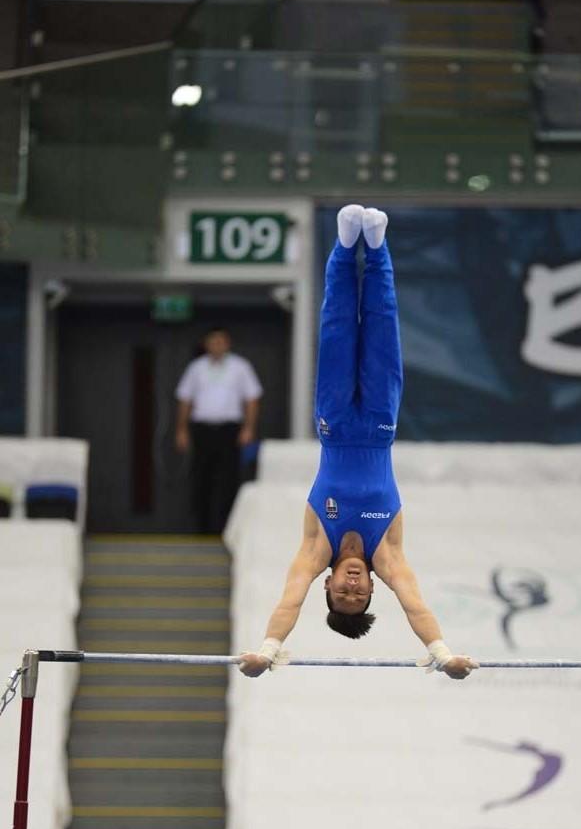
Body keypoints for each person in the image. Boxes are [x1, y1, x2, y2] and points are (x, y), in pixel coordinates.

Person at [239, 206, 478, 680]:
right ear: (372, 587)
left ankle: (346, 246)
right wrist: (443, 655)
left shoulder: (315, 551)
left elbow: (289, 600)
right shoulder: (387, 554)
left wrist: (266, 652)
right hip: (379, 425)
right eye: (360, 594)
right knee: (382, 326)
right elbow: (415, 605)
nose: (351, 587)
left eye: (341, 594)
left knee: (338, 328)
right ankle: (379, 246)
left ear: (325, 585)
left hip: (334, 424)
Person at [175, 326, 263, 534]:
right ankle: (201, 530)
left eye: (221, 341)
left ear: (227, 343)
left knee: (229, 480)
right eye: (213, 341)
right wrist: (182, 430)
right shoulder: (196, 368)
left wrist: (248, 428)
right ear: (206, 344)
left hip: (229, 431)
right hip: (202, 430)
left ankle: (227, 530)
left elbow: (252, 399)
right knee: (200, 478)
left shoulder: (240, 367)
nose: (217, 345)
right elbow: (185, 400)